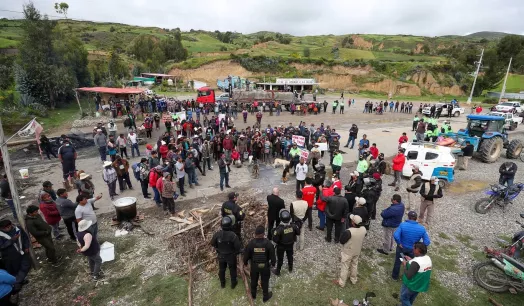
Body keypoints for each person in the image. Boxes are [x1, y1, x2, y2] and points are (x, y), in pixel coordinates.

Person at [392, 211, 431, 281]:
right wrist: (419, 247)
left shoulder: (403, 225)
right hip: (413, 250)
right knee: (412, 263)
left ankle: (394, 277)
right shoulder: (422, 228)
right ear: (416, 218)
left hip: (402, 248)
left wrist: (399, 243)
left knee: (398, 261)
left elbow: (396, 235)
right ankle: (409, 276)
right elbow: (427, 242)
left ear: (408, 217)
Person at [243, 225, 276, 303]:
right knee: (265, 281)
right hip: (265, 266)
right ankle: (265, 297)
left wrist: (245, 263)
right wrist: (273, 264)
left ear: (255, 234)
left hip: (254, 266)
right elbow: (273, 256)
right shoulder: (268, 243)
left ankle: (253, 295)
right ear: (263, 234)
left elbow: (246, 255)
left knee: (254, 280)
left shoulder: (251, 244)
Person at [334, 214, 367, 287]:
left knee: (345, 266)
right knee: (354, 264)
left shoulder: (349, 231)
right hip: (357, 250)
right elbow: (365, 235)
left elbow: (342, 241)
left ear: (353, 222)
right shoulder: (363, 229)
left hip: (348, 251)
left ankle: (342, 282)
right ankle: (353, 279)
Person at [211, 215, 242, 289]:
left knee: (222, 270)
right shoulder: (233, 236)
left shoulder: (217, 234)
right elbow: (238, 247)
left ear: (221, 225)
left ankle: (222, 284)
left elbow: (212, 243)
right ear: (231, 225)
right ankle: (233, 284)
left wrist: (218, 248)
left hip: (221, 255)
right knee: (232, 270)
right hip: (231, 256)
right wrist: (237, 252)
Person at [0, 220, 31, 292]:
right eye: (4, 228)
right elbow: (1, 246)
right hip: (10, 256)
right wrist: (12, 240)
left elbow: (25, 237)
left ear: (11, 224)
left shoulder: (18, 228)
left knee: (25, 266)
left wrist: (26, 246)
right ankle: (17, 283)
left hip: (21, 252)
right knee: (15, 270)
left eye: (8, 227)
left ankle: (19, 280)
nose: (7, 229)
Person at [272, 209, 300, 276]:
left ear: (280, 218)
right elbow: (298, 232)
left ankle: (278, 271)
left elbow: (275, 240)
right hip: (290, 244)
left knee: (280, 259)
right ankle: (290, 268)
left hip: (281, 246)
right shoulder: (293, 226)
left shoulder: (279, 229)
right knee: (290, 256)